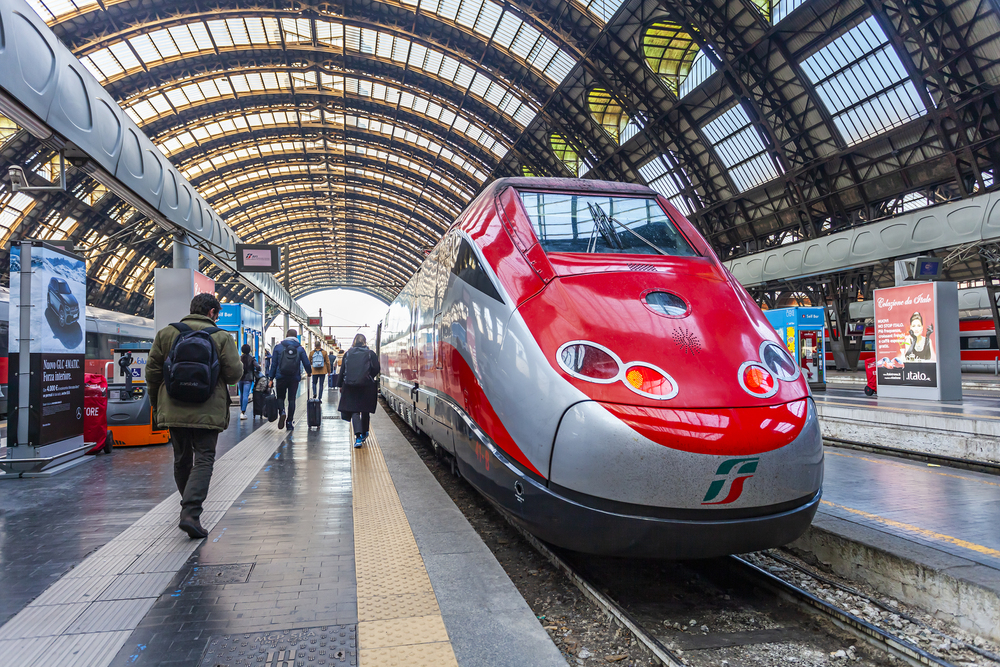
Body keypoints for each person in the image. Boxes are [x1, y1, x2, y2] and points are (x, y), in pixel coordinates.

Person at [146, 293, 242, 539]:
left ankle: (187, 505)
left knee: (181, 458)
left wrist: (158, 407)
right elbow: (233, 375)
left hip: (173, 407)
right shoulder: (221, 337)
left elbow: (153, 374)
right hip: (207, 409)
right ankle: (190, 512)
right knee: (204, 458)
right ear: (212, 312)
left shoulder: (167, 334)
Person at [337, 333, 380, 448]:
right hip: (366, 385)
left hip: (350, 385)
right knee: (365, 409)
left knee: (354, 410)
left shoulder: (348, 354)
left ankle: (358, 437)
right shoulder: (371, 354)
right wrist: (369, 376)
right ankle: (365, 431)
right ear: (364, 342)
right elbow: (376, 368)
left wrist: (340, 384)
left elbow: (343, 370)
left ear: (354, 342)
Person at [268, 328, 311, 430]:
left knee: (280, 397)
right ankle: (289, 422)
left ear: (286, 335)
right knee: (292, 399)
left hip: (280, 377)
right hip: (294, 378)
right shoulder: (300, 348)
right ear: (296, 337)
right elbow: (306, 363)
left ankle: (282, 411)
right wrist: (309, 372)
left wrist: (271, 378)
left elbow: (273, 365)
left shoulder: (278, 347)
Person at [238, 344, 260, 420]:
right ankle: (243, 412)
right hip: (248, 378)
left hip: (240, 378)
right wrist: (255, 370)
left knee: (242, 395)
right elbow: (258, 367)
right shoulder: (252, 358)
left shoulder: (239, 358)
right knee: (245, 395)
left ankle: (241, 411)